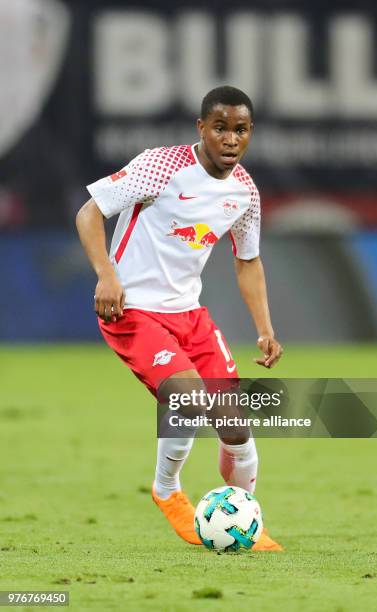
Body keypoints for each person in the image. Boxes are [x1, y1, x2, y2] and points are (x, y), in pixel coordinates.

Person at [76, 86, 283, 551]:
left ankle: (243, 522)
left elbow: (247, 261)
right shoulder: (161, 166)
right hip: (131, 311)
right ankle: (167, 490)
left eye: (241, 130)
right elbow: (89, 213)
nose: (231, 139)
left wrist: (265, 329)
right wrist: (106, 275)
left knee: (236, 427)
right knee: (188, 396)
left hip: (189, 315)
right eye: (220, 128)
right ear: (201, 128)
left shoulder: (244, 192)